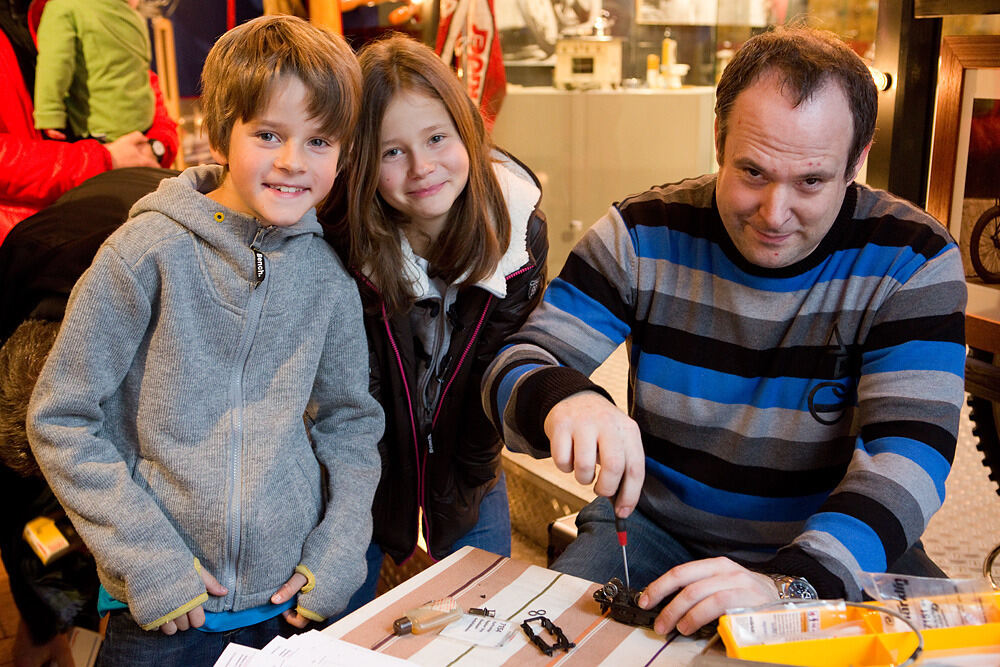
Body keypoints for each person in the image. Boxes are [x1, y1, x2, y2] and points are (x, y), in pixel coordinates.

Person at [481, 25, 967, 635]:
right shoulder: (639, 233)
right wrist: (564, 397)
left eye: (811, 181)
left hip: (838, 548)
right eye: (753, 172)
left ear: (857, 161)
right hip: (656, 534)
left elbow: (910, 459)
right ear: (718, 140)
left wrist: (790, 586)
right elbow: (513, 364)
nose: (775, 213)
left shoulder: (913, 258)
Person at [26, 15, 383, 664]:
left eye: (320, 141)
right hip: (164, 611)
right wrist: (150, 559)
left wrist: (337, 553)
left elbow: (351, 424)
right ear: (221, 132)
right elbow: (61, 417)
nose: (292, 162)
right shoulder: (146, 252)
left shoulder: (327, 280)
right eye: (268, 133)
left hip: (288, 606)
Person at [322, 33, 547, 609]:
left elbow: (497, 363)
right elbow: (354, 393)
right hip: (357, 480)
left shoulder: (518, 232)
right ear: (361, 162)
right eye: (391, 151)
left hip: (467, 463)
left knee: (485, 617)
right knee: (340, 627)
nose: (422, 168)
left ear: (466, 132)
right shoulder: (339, 244)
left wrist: (462, 483)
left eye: (437, 138)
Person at [0, 167, 176, 667]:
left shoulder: (161, 290)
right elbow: (10, 508)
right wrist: (37, 627)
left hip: (154, 191)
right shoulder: (13, 273)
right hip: (76, 219)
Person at [0, 0, 176, 244]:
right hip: (29, 237)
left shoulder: (69, 6)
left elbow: (140, 83)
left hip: (115, 207)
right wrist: (102, 159)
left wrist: (157, 145)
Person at [33, 0, 154, 143]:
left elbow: (55, 64)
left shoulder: (63, 7)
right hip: (143, 121)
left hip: (103, 128)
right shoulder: (128, 11)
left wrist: (49, 114)